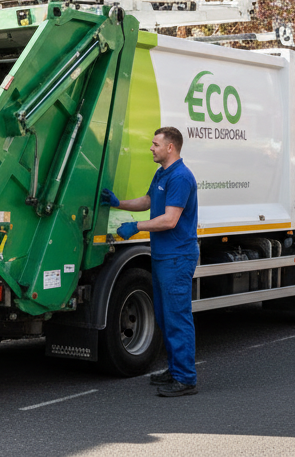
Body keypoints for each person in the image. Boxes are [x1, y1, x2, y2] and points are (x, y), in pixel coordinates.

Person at [101, 126, 199, 397]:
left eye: (156, 144)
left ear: (171, 147)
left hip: (177, 257)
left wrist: (136, 227)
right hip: (163, 256)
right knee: (165, 317)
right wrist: (118, 203)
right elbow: (147, 200)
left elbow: (170, 219)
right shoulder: (162, 173)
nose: (151, 148)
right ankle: (175, 369)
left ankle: (186, 379)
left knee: (177, 317)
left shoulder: (180, 177)